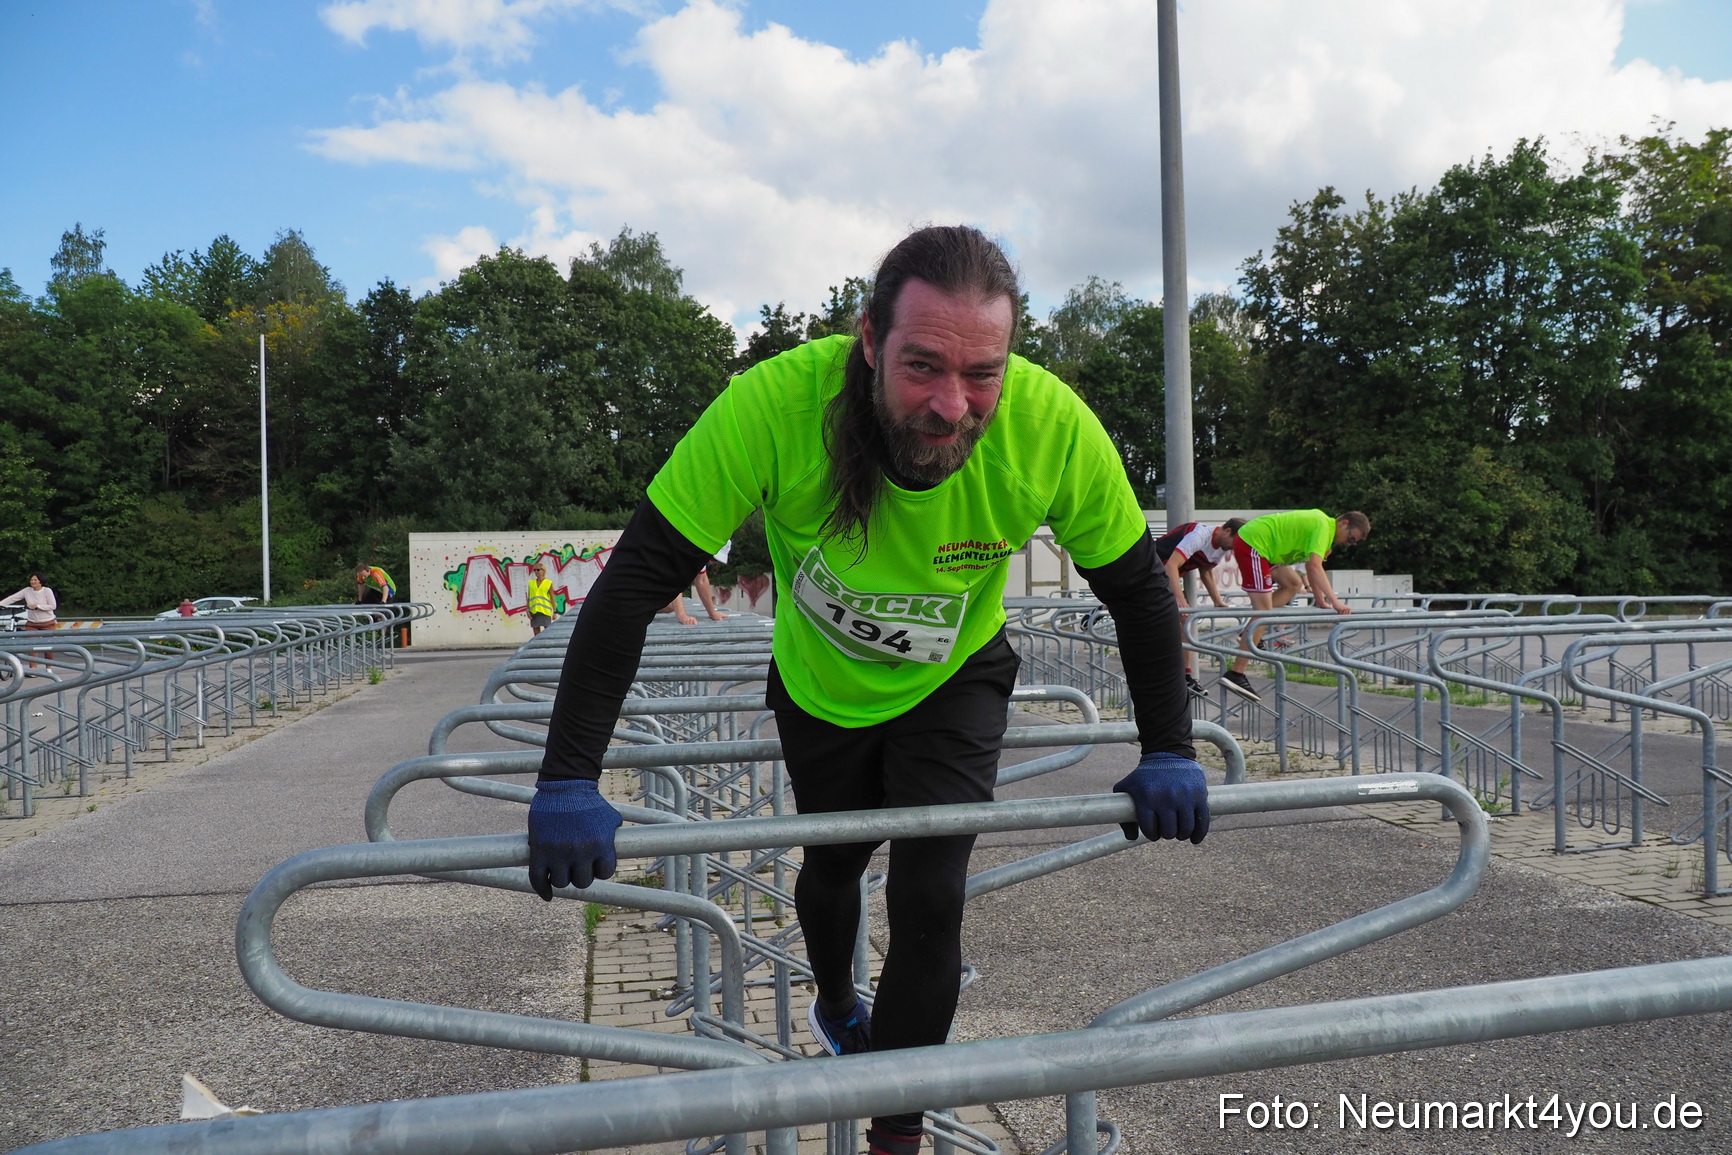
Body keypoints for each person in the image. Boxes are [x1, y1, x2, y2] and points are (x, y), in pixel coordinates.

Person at [528, 226, 1206, 1155]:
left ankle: (896, 1134)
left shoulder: (1049, 427)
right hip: (822, 688)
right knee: (835, 867)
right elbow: (633, 585)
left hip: (954, 676)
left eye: (982, 376)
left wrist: (1169, 745)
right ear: (868, 339)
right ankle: (839, 998)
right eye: (922, 366)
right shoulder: (773, 406)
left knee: (933, 895)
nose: (951, 404)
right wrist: (567, 776)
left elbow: (1136, 590)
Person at [1220, 509, 1370, 702]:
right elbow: (1315, 567)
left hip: (1265, 549)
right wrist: (1336, 602)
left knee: (1293, 583)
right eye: (1351, 539)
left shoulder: (1324, 532)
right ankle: (1236, 674)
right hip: (1254, 544)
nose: (1348, 544)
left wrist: (1320, 600)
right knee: (1264, 614)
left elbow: (1311, 566)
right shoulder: (1323, 526)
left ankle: (1250, 631)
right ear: (1344, 523)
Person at [1153, 518, 1245, 698]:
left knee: (1184, 620)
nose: (1233, 549)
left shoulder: (1219, 548)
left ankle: (1186, 677)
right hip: (1155, 566)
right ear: (1226, 531)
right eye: (1234, 543)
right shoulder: (1199, 535)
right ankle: (1102, 608)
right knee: (1181, 616)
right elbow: (1171, 565)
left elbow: (1206, 571)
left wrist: (1218, 601)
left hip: (1167, 573)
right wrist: (1180, 599)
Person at [661, 541, 732, 625]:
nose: (712, 562)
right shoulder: (685, 548)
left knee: (670, 605)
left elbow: (701, 580)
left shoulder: (699, 552)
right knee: (667, 602)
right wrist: (682, 615)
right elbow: (674, 581)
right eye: (712, 558)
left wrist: (712, 612)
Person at [3, 573, 58, 669]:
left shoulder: (47, 591)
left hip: (47, 622)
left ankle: (49, 667)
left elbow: (53, 606)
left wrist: (37, 606)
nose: (33, 582)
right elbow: (13, 598)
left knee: (48, 646)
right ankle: (33, 669)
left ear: (41, 581)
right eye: (31, 580)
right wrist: (1, 604)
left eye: (35, 580)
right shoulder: (27, 591)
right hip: (32, 623)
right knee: (32, 645)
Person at [527, 563, 556, 635]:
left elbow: (552, 598)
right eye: (535, 570)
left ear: (543, 571)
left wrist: (554, 612)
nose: (536, 572)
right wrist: (527, 609)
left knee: (547, 632)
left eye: (538, 570)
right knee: (536, 634)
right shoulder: (531, 583)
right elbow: (529, 597)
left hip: (545, 611)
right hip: (534, 611)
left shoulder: (548, 583)